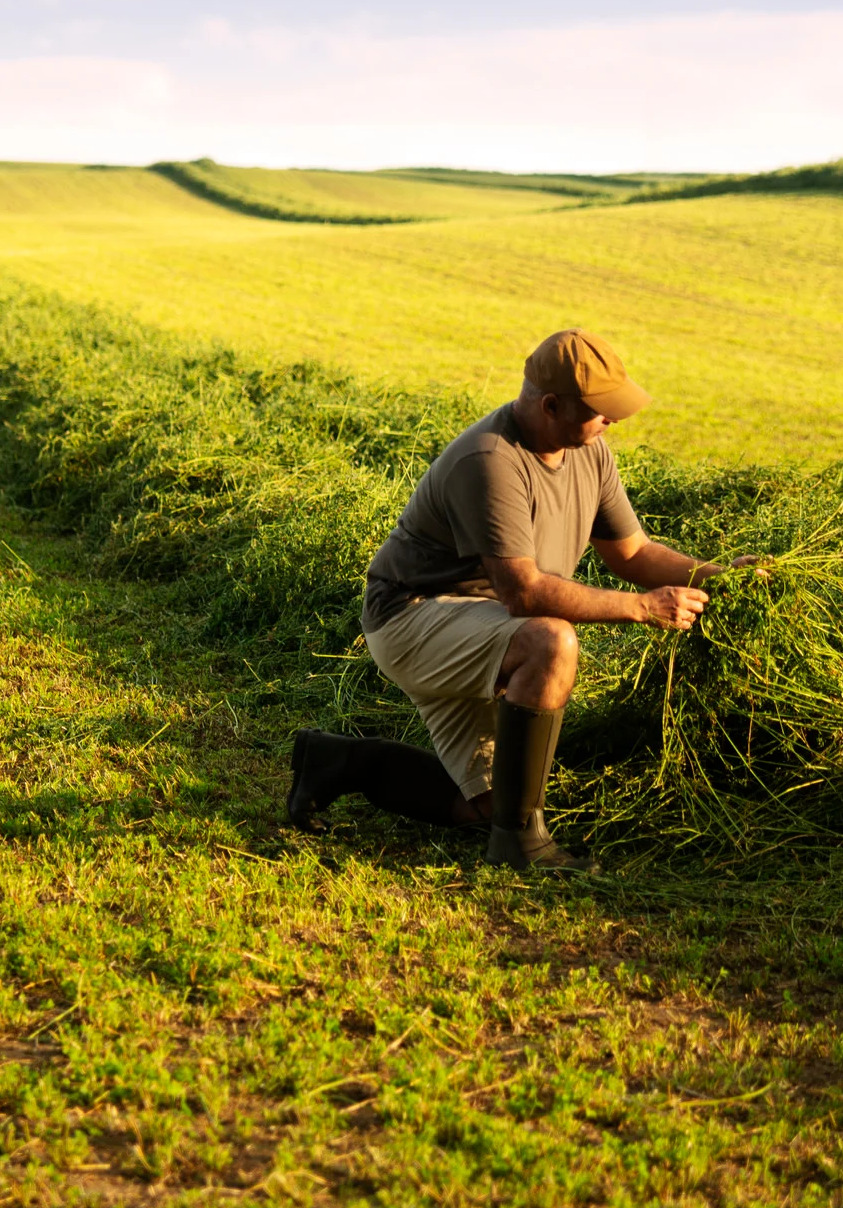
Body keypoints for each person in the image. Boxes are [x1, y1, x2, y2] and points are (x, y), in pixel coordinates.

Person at [286, 328, 737, 872]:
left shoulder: (591, 453)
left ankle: (337, 762)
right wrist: (641, 607)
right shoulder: (490, 460)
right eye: (600, 410)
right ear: (551, 405)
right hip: (413, 617)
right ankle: (521, 845)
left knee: (487, 804)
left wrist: (720, 576)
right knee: (550, 640)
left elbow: (634, 553)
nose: (612, 421)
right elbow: (524, 593)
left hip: (485, 623)